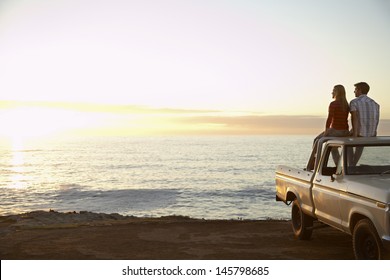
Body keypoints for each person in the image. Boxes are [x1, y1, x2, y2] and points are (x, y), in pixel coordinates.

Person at [307, 85, 350, 170]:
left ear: (337, 92)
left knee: (316, 140)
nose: (332, 92)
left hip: (335, 130)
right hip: (345, 131)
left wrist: (326, 131)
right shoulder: (346, 105)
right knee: (333, 149)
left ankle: (313, 163)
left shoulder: (333, 104)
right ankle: (339, 168)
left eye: (333, 91)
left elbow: (330, 118)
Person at [348, 82, 380, 166]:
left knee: (346, 141)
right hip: (371, 135)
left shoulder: (354, 102)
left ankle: (350, 165)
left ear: (359, 90)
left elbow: (354, 119)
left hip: (360, 134)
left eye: (355, 89)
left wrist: (354, 135)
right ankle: (353, 165)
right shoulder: (375, 104)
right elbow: (376, 119)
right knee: (358, 144)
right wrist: (374, 133)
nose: (354, 91)